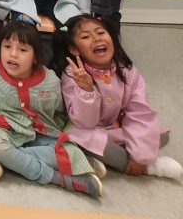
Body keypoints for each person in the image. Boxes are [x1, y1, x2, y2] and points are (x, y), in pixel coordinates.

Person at [0, 22, 103, 197]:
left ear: (35, 57)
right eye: (7, 46)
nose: (13, 54)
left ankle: (9, 160)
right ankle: (59, 179)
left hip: (41, 136)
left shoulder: (50, 81)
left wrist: (84, 90)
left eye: (23, 49)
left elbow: (59, 112)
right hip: (4, 130)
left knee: (66, 151)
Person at [58, 15, 182, 180]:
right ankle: (149, 167)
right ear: (75, 49)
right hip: (88, 130)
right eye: (86, 37)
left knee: (161, 134)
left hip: (116, 129)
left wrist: (140, 154)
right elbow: (85, 122)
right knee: (81, 139)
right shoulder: (73, 74)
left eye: (101, 33)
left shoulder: (126, 70)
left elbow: (139, 111)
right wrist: (87, 90)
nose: (96, 39)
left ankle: (128, 158)